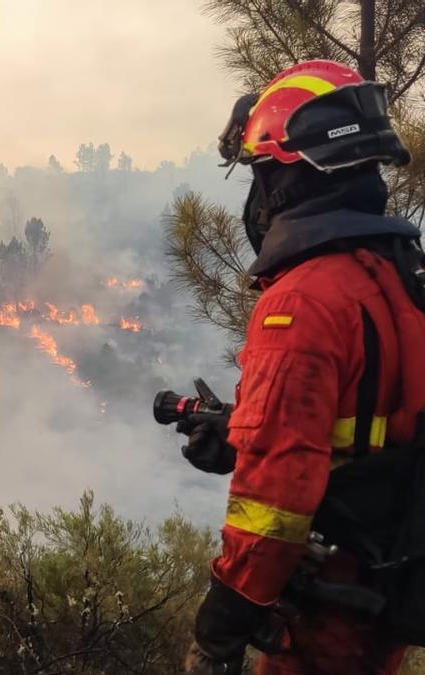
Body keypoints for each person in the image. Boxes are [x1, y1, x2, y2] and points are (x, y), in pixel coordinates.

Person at [179, 59, 422, 674]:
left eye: (262, 173)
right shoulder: (398, 276)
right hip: (383, 593)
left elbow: (276, 495)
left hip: (326, 611)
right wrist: (242, 434)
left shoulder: (302, 300)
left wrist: (221, 627)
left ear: (292, 178)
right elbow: (370, 429)